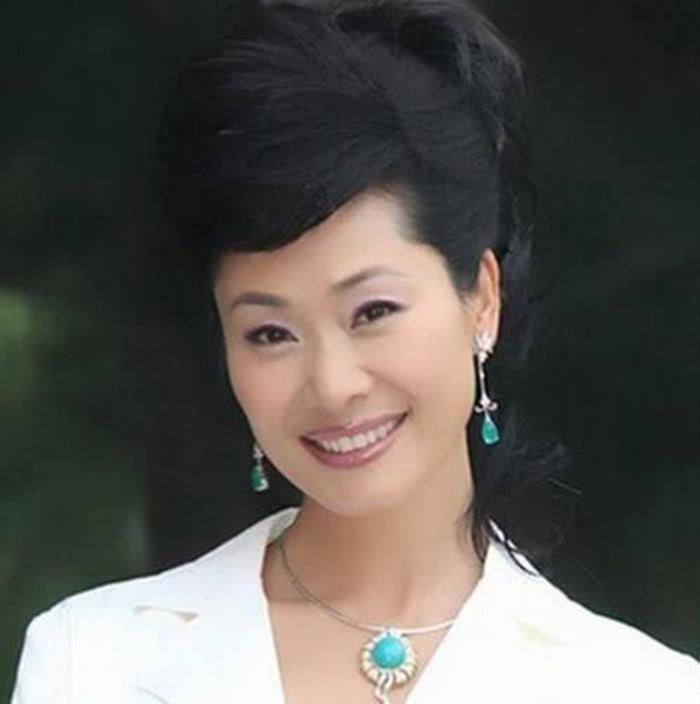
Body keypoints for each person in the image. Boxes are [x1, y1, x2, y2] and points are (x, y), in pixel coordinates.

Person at [10, 0, 699, 702]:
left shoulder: (638, 688)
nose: (332, 385)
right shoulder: (91, 662)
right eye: (270, 334)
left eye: (373, 312)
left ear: (482, 299)